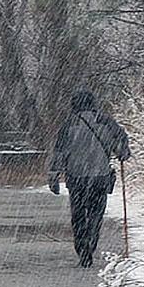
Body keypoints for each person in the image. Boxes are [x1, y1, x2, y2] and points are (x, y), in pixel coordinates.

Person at [47, 89, 130, 267]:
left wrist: (54, 176)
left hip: (76, 179)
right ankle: (91, 240)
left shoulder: (69, 124)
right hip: (100, 178)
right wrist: (123, 153)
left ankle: (82, 248)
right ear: (93, 103)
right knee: (95, 213)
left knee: (78, 215)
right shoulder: (106, 122)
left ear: (74, 104)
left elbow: (60, 153)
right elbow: (121, 142)